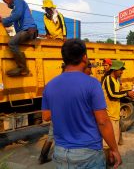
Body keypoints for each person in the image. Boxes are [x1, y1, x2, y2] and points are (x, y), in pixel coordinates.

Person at [42, 39, 121, 168]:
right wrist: (114, 149)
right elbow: (102, 121)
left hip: (60, 152)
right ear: (84, 57)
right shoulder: (92, 84)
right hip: (88, 153)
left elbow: (46, 116)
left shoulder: (50, 85)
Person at [39, 58, 93, 164]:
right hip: (64, 116)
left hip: (57, 116)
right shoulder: (75, 83)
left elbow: (46, 114)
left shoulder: (54, 84)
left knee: (51, 136)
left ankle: (43, 156)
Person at [102, 60, 134, 165]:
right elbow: (113, 94)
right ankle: (108, 162)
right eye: (121, 70)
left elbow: (118, 92)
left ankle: (111, 160)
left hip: (115, 114)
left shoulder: (116, 80)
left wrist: (128, 91)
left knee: (114, 140)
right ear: (115, 69)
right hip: (109, 115)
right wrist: (127, 93)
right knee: (107, 143)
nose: (122, 72)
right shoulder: (108, 79)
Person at [0, 0, 37, 77]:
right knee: (13, 41)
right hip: (24, 31)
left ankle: (23, 69)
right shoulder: (14, 10)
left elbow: (17, 15)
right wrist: (2, 21)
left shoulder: (19, 1)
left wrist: (3, 20)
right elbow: (10, 22)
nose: (3, 0)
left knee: (12, 43)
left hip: (29, 29)